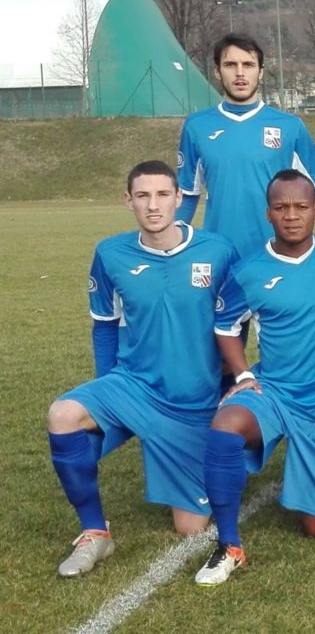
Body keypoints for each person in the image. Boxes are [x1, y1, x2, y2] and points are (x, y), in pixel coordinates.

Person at [48, 160, 237, 577]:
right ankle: (95, 533)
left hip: (192, 401)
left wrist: (228, 386)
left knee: (190, 529)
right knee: (63, 415)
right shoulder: (110, 253)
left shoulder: (218, 251)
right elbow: (104, 327)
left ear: (180, 198)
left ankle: (182, 458)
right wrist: (106, 390)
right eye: (143, 196)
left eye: (163, 195)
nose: (153, 205)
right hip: (132, 384)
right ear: (128, 201)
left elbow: (233, 329)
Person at [194, 170, 315, 586]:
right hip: (273, 390)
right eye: (281, 208)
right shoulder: (249, 271)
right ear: (268, 214)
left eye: (301, 206)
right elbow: (224, 325)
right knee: (225, 427)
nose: (291, 215)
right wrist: (241, 374)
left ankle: (310, 477)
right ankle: (228, 546)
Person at [176, 33, 315, 258]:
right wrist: (166, 246)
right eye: (231, 64)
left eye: (248, 65)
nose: (240, 73)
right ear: (216, 71)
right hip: (220, 257)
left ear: (260, 72)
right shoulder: (196, 126)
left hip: (275, 257)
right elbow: (187, 195)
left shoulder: (290, 127)